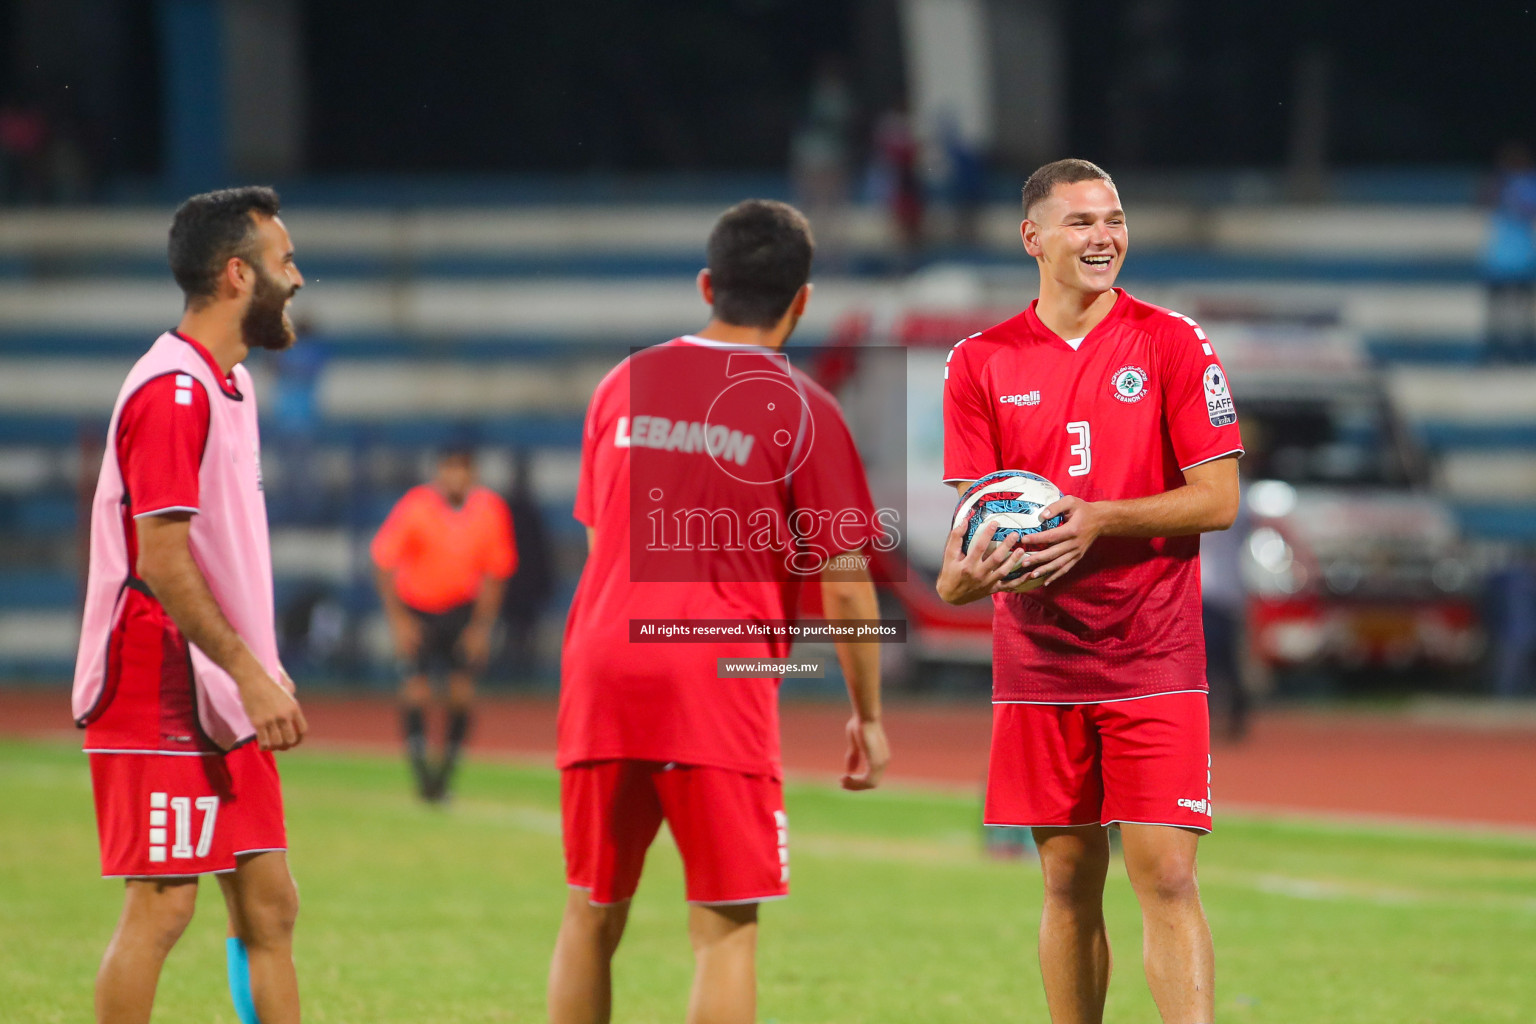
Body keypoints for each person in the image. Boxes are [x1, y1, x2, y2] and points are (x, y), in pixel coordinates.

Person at [549, 199, 890, 1024]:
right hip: (712, 677)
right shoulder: (804, 409)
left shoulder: (621, 384)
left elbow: (600, 542)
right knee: (726, 928)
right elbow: (845, 582)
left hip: (601, 665)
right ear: (800, 301)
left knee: (591, 913)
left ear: (708, 284)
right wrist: (867, 714)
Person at [938, 159, 1242, 1024]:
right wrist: (960, 579)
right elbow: (980, 521)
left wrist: (1099, 518)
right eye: (1081, 222)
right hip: (1039, 658)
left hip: (1154, 651)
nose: (1104, 236)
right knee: (1067, 879)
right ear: (1033, 238)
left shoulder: (1174, 342)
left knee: (1169, 873)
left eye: (1113, 219)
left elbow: (1218, 498)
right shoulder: (980, 362)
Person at [71, 186, 308, 1024]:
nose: (299, 278)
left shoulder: (225, 386)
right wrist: (250, 672)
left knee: (269, 905)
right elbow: (163, 561)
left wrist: (254, 670)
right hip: (161, 673)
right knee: (165, 905)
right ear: (238, 275)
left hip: (220, 681)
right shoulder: (171, 391)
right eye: (285, 263)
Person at [372, 446, 516, 802]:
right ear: (439, 472)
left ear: (473, 474)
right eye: (450, 469)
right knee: (416, 691)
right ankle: (422, 774)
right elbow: (384, 562)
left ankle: (446, 774)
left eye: (463, 469)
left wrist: (481, 628)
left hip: (461, 612)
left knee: (461, 694)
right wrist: (400, 622)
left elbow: (496, 574)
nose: (456, 477)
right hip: (419, 610)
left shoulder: (490, 510)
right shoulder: (415, 506)